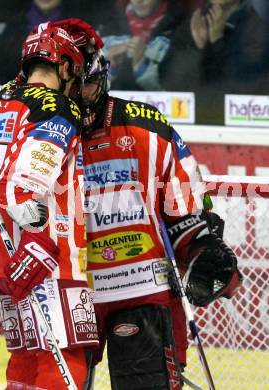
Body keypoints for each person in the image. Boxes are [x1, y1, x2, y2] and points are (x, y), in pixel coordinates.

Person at [71, 41, 242, 388]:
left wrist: (202, 248)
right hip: (69, 294)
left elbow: (186, 207)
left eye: (86, 84)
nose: (78, 94)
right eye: (71, 85)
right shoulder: (42, 136)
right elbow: (14, 195)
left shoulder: (146, 128)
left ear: (102, 80)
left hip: (142, 288)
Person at [0, 22, 101, 390]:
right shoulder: (59, 108)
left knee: (26, 354)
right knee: (65, 352)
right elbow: (25, 183)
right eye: (73, 69)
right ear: (63, 66)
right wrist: (29, 209)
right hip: (42, 250)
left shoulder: (5, 97)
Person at [100, 0, 183, 90]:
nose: (139, 1)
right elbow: (90, 92)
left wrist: (141, 64)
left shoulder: (180, 30)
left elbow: (180, 93)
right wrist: (110, 68)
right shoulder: (108, 28)